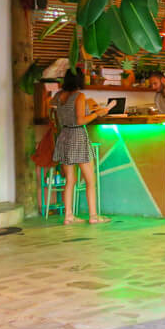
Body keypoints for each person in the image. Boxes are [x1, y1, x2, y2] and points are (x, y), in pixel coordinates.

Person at [52, 68, 110, 225]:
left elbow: (58, 112)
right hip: (77, 136)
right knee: (90, 180)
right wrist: (98, 113)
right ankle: (93, 216)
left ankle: (68, 216)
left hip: (64, 136)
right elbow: (80, 120)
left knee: (70, 180)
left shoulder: (58, 96)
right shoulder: (79, 96)